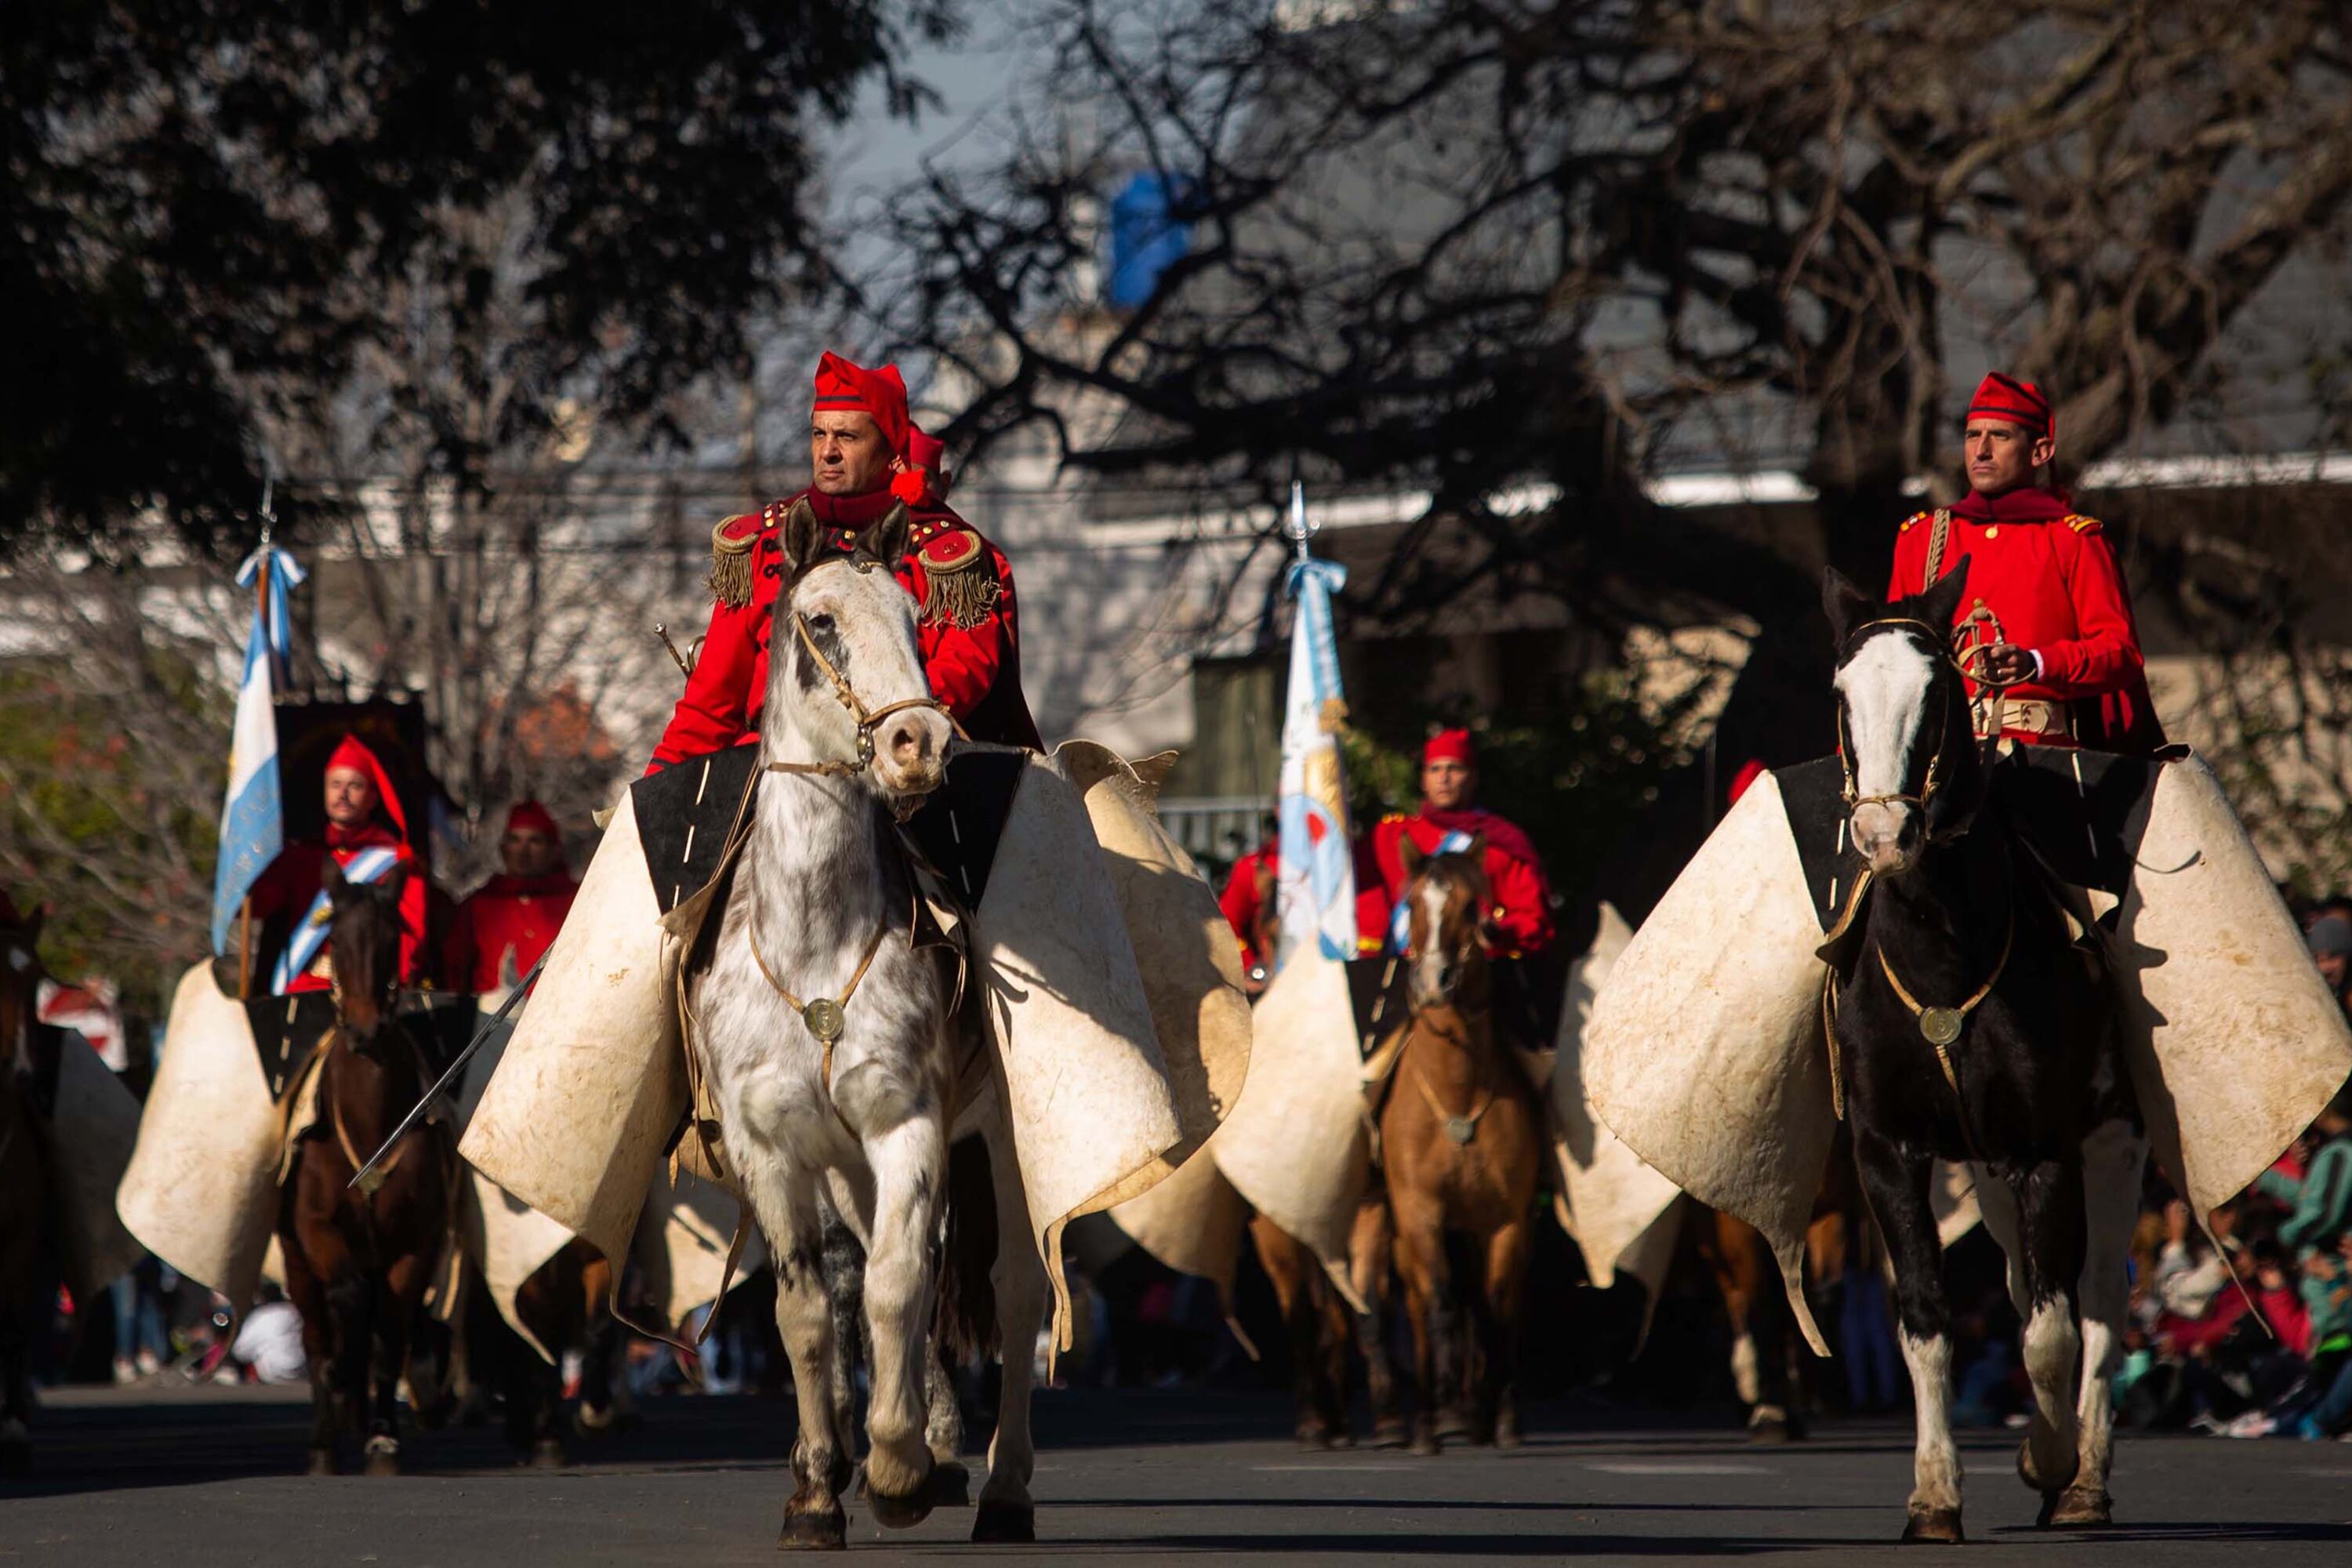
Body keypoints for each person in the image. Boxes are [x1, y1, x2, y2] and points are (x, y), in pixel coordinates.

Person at [648, 353, 1040, 770]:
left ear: (891, 451)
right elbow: (710, 704)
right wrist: (655, 784)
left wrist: (886, 720)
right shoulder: (761, 543)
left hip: (905, 758)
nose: (828, 451)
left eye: (847, 437)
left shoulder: (945, 556)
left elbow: (965, 670)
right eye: (819, 434)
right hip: (766, 769)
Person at [1886, 372, 2165, 754]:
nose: (1981, 450)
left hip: (2044, 756)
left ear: (2040, 452)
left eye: (2000, 436)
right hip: (1939, 756)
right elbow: (1888, 657)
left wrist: (2038, 662)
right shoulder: (1921, 538)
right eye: (1972, 436)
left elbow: (2119, 653)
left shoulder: (2074, 539)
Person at [242, 733, 431, 993]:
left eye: (355, 786)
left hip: (368, 992)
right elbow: (257, 906)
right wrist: (247, 866)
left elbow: (411, 939)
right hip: (304, 987)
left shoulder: (396, 862)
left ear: (373, 798)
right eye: (335, 784)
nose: (343, 794)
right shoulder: (300, 856)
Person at [1370, 729, 1556, 958]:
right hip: (1396, 967)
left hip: (1478, 969)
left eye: (1454, 769)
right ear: (1424, 780)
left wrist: (1498, 932)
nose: (1444, 778)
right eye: (1435, 769)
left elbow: (1533, 919)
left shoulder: (1500, 841)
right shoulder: (1389, 835)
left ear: (1473, 778)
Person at [1216, 830, 1388, 989]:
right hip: (1274, 978)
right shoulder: (1255, 868)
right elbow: (1226, 926)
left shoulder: (1354, 867)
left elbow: (1372, 931)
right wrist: (1252, 968)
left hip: (1339, 977)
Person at [444, 801, 578, 995]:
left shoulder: (578, 902)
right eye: (515, 840)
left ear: (553, 849)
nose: (524, 852)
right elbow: (454, 972)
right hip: (491, 1011)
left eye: (534, 841)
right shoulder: (479, 905)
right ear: (503, 848)